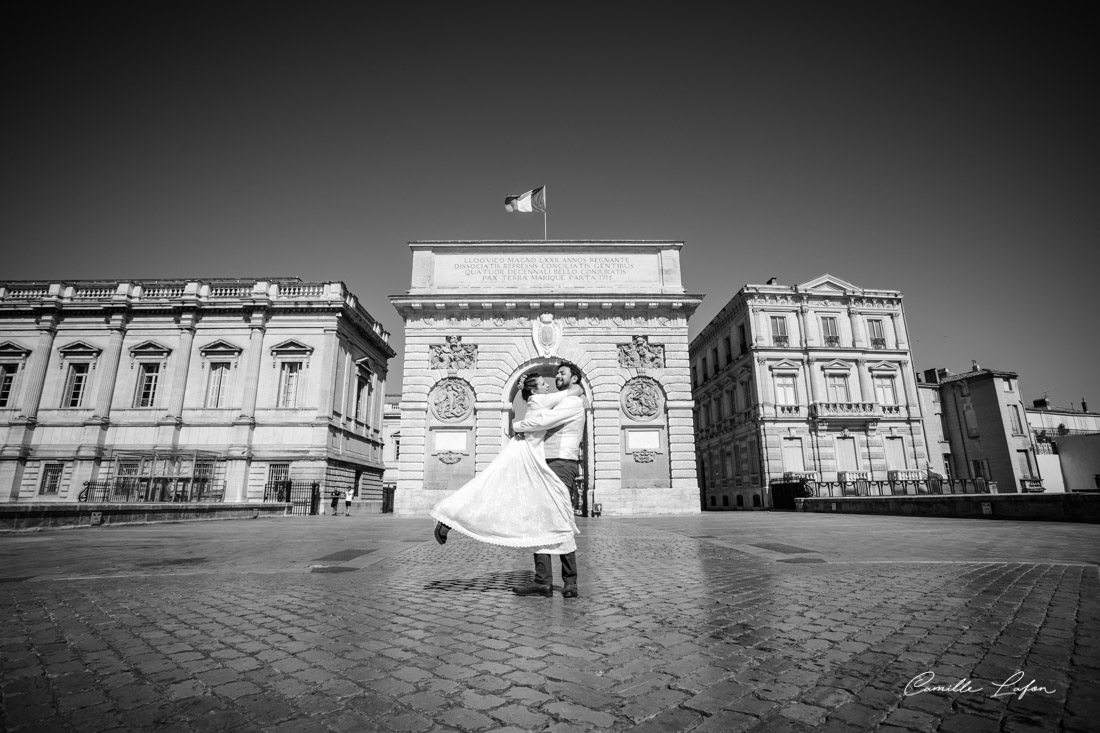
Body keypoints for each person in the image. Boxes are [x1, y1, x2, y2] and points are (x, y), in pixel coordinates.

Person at [430, 363, 586, 598]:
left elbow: (542, 422)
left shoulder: (572, 402)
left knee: (559, 518)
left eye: (561, 374)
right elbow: (544, 410)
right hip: (538, 461)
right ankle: (544, 581)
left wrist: (516, 426)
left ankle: (568, 582)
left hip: (560, 463)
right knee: (536, 518)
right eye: (553, 376)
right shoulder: (558, 398)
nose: (555, 378)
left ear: (574, 377)